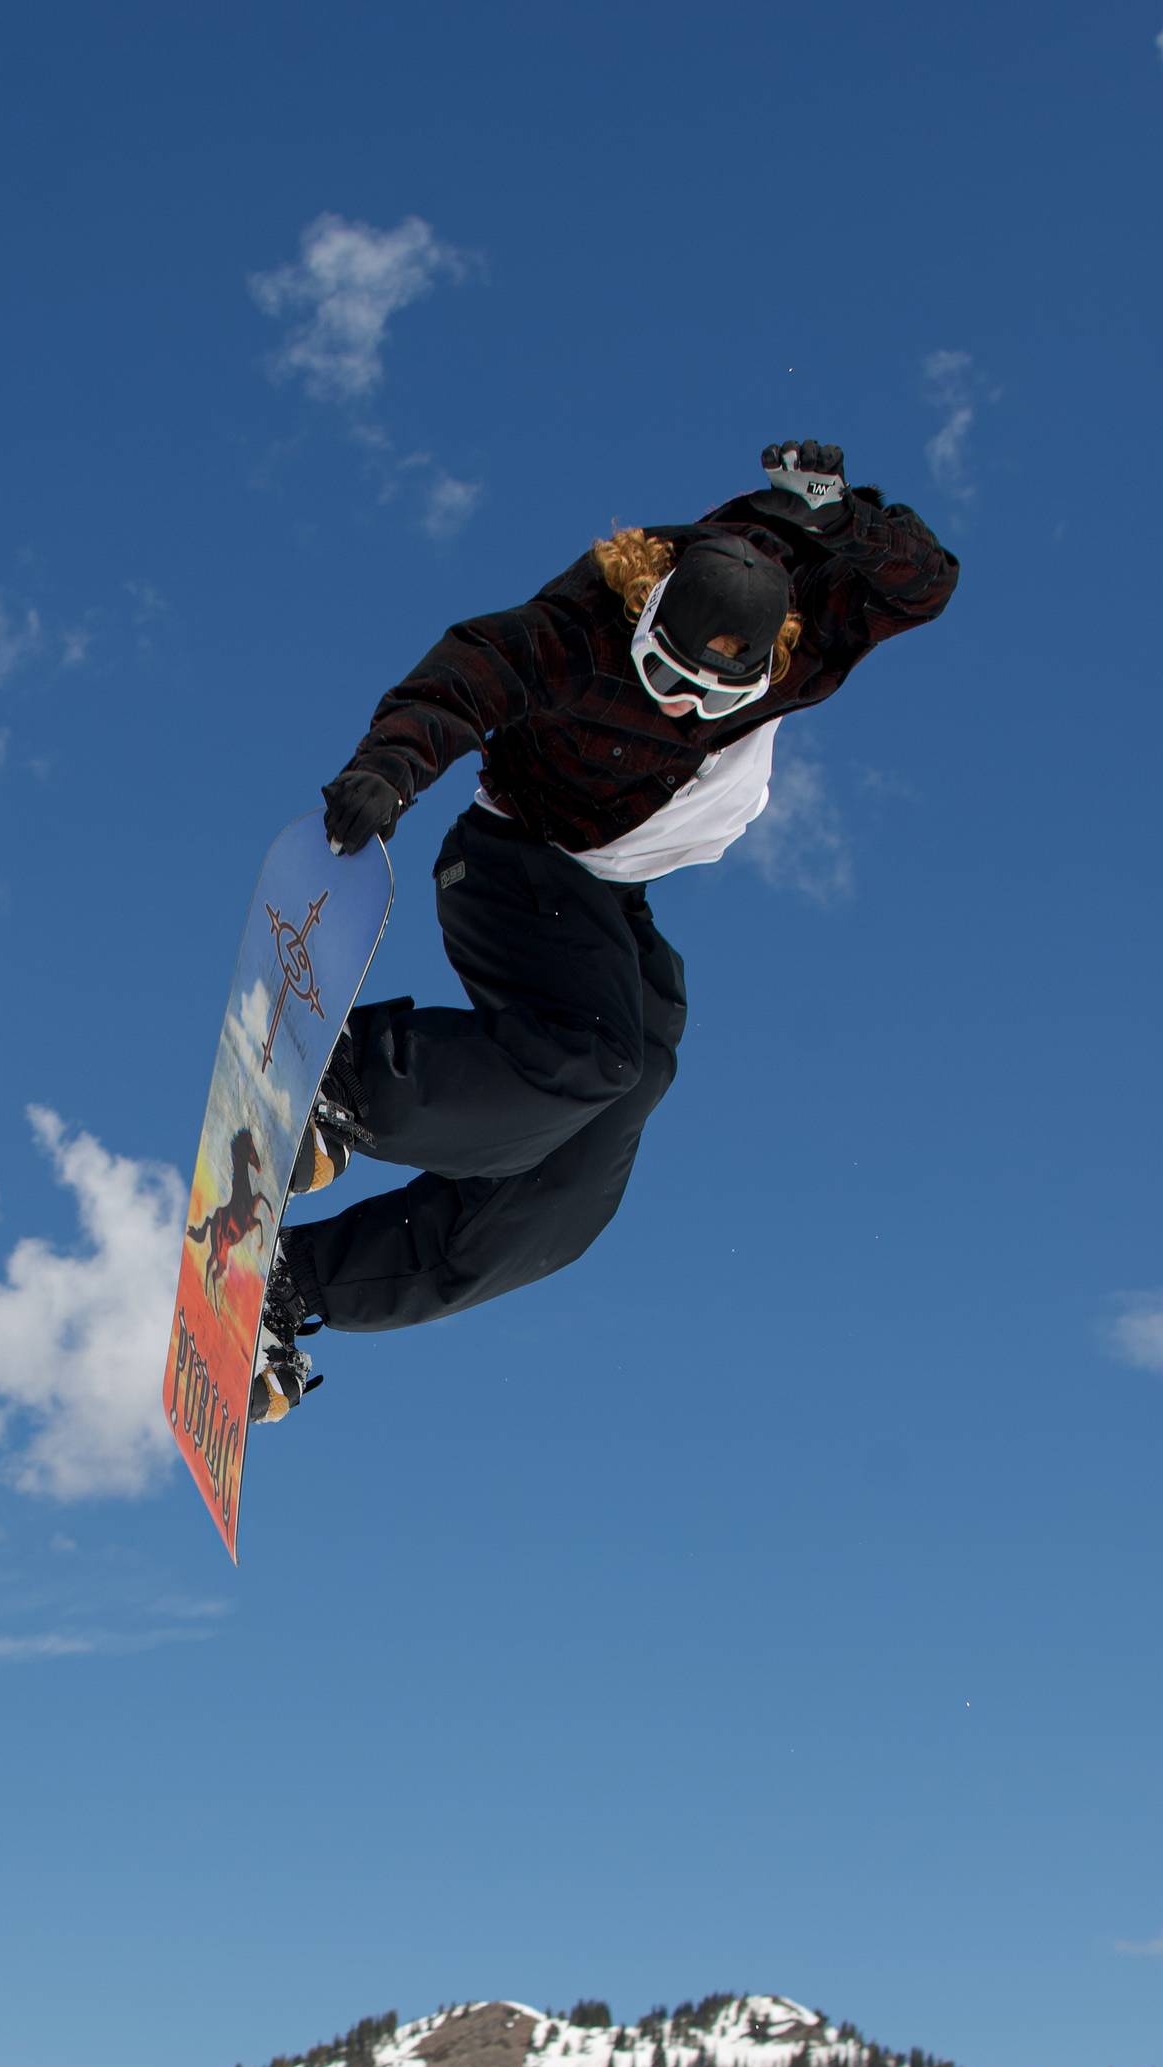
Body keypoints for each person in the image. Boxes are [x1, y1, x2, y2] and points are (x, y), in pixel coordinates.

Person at [252, 440, 959, 1422]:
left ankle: (294, 1284)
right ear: (649, 615)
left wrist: (846, 518)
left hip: (607, 896)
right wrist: (394, 765)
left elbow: (924, 583)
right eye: (667, 673)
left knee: (577, 1178)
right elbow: (471, 670)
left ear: (772, 660)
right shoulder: (588, 623)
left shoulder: (807, 633)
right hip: (511, 856)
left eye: (717, 694)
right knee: (593, 1053)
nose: (685, 705)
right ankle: (347, 1080)